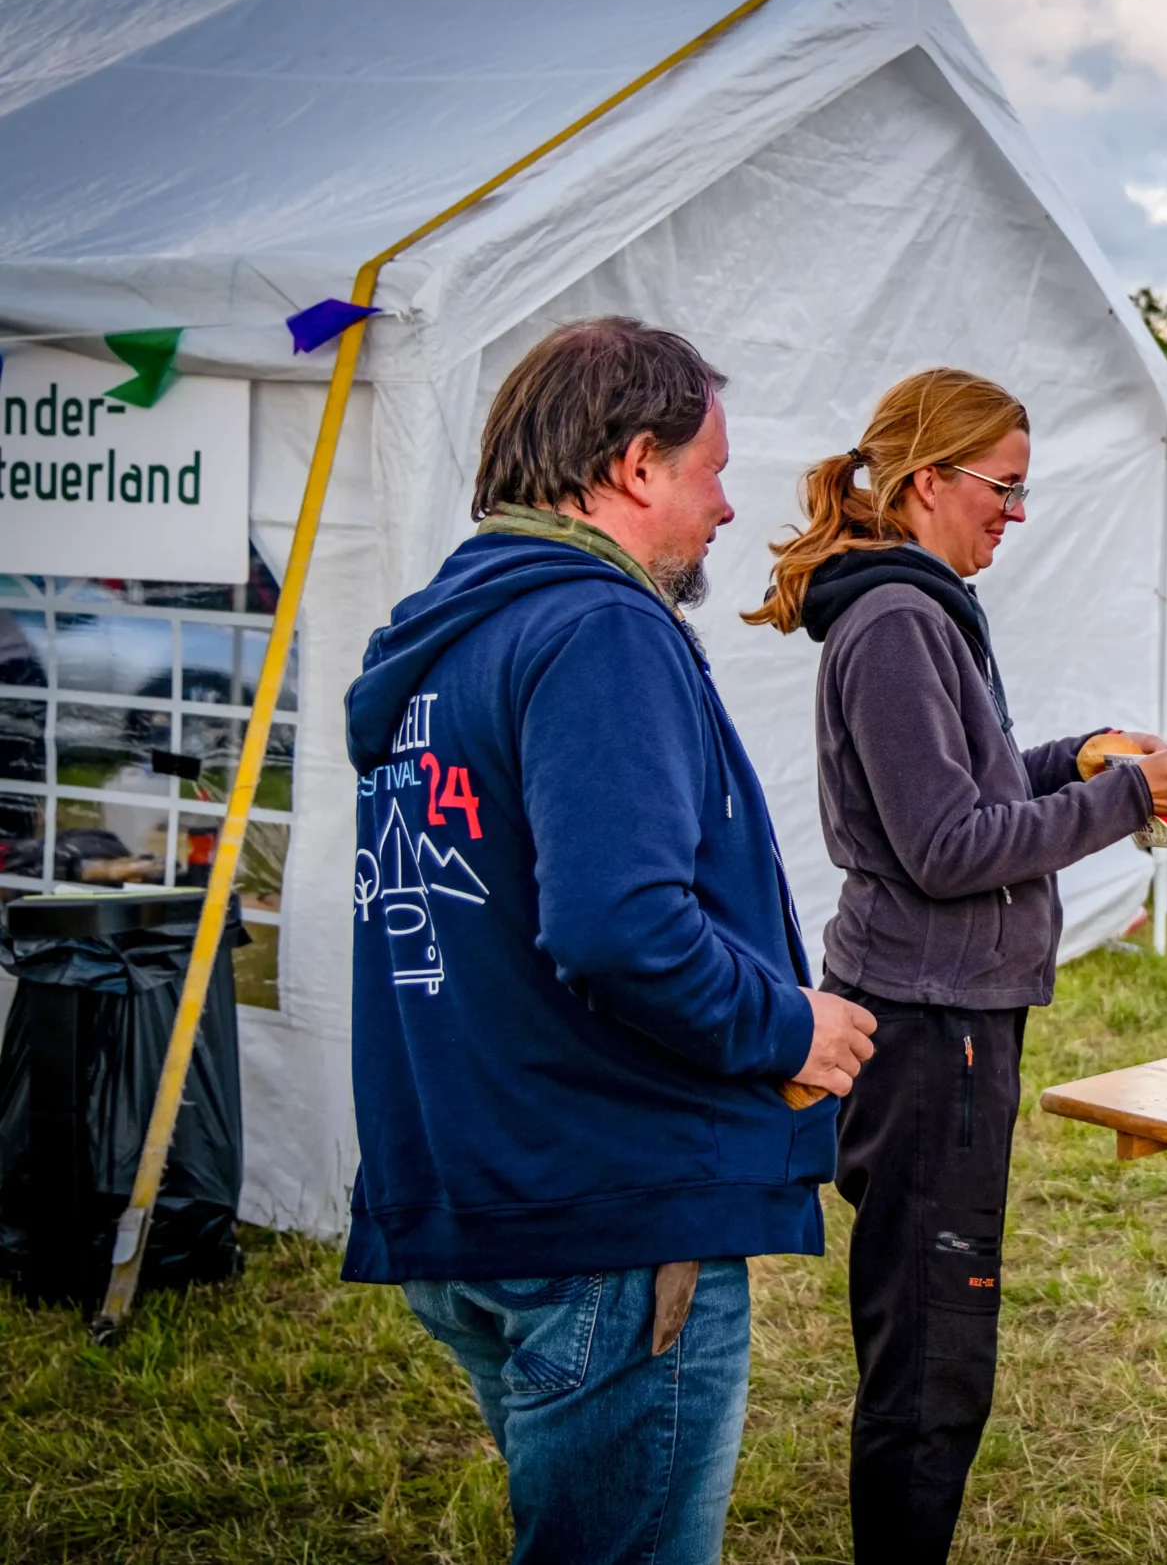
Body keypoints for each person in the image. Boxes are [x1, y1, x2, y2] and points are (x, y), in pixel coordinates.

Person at [343, 317, 878, 1565]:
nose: (728, 509)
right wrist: (788, 1021)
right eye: (713, 471)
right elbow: (618, 925)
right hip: (606, 1217)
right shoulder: (598, 628)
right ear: (637, 466)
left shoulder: (448, 639)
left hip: (479, 1191)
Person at [743, 367, 1167, 1563]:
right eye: (1003, 490)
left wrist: (1075, 758)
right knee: (933, 1347)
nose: (1015, 517)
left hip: (946, 1011)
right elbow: (945, 846)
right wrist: (1132, 794)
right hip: (930, 1026)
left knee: (933, 1326)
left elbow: (963, 791)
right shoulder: (894, 624)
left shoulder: (915, 609)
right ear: (929, 481)